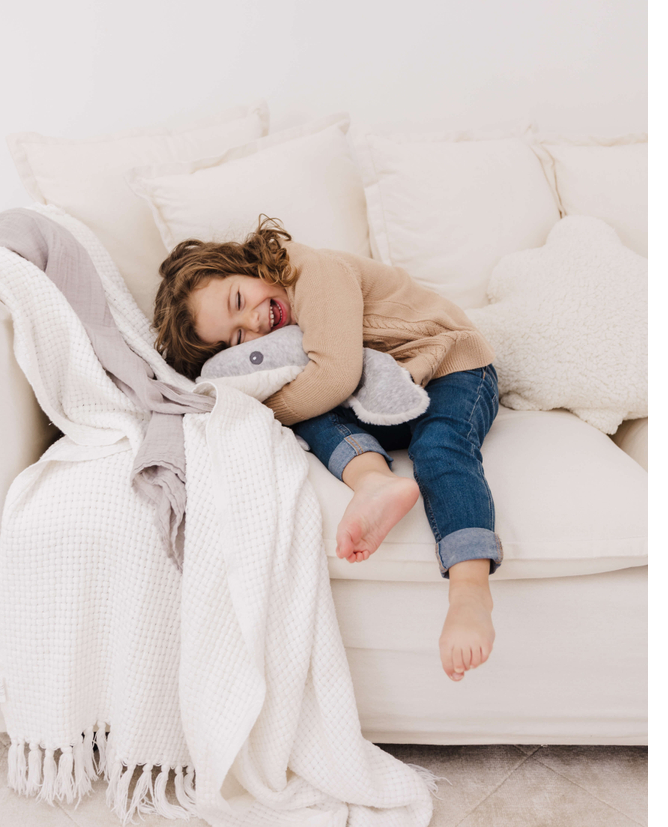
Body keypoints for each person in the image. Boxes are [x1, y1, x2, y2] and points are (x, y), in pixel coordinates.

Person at [153, 216, 501, 682]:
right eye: (236, 339)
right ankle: (374, 481)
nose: (253, 323)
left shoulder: (312, 271)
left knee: (440, 447)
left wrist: (262, 410)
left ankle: (470, 590)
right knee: (312, 413)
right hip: (381, 397)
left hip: (450, 368)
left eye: (238, 300)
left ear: (244, 264)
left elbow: (335, 377)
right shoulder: (276, 329)